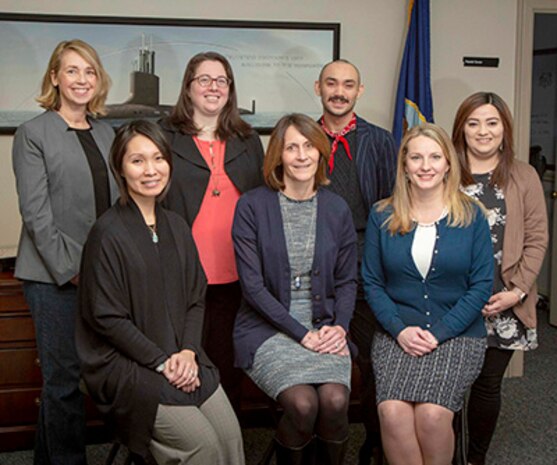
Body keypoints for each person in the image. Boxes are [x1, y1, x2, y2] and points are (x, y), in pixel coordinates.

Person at [76, 120, 244, 465]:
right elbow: (106, 318)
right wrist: (162, 361)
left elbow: (196, 298)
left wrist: (186, 351)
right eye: (137, 161)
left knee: (231, 438)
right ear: (121, 169)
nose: (150, 170)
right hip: (129, 365)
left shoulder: (178, 227)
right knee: (204, 448)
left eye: (157, 158)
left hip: (184, 355)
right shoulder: (106, 234)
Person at [362, 123, 494, 465]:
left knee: (432, 416)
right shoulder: (382, 215)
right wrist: (399, 330)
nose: (426, 166)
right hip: (397, 334)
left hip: (457, 336)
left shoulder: (472, 216)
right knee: (392, 413)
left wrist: (439, 333)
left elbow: (481, 285)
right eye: (416, 157)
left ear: (448, 163)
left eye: (435, 157)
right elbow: (372, 283)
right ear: (404, 164)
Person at [11, 39, 117, 465]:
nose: (81, 79)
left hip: (100, 274)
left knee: (75, 379)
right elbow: (36, 215)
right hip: (53, 277)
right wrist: (73, 270)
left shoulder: (108, 132)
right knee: (63, 382)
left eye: (89, 71)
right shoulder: (33, 133)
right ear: (54, 77)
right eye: (71, 71)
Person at [232, 113, 357, 465]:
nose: (301, 156)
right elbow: (252, 287)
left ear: (320, 152)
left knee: (334, 402)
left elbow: (348, 280)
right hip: (267, 326)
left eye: (309, 146)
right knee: (303, 406)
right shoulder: (252, 207)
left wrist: (340, 328)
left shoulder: (337, 208)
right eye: (291, 147)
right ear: (278, 155)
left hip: (327, 324)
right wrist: (302, 334)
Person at [159, 51, 264, 410]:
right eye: (204, 79)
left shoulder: (248, 140)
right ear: (188, 87)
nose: (213, 87)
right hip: (181, 275)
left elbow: (264, 204)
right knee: (182, 365)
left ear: (230, 89)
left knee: (225, 364)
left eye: (221, 80)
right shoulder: (164, 136)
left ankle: (226, 441)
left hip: (237, 275)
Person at [452, 92, 548, 465]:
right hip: (455, 302)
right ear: (461, 128)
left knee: (487, 386)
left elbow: (537, 238)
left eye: (492, 122)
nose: (483, 131)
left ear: (504, 128)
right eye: (473, 122)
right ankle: (449, 457)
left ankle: (476, 458)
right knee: (450, 385)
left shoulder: (523, 175)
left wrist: (517, 291)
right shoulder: (445, 170)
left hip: (505, 302)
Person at [314, 58, 397, 465]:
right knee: (316, 358)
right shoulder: (302, 139)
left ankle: (376, 442)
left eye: (348, 84)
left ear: (359, 92)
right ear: (319, 88)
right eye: (332, 83)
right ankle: (316, 442)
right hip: (312, 270)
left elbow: (395, 212)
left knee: (371, 361)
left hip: (367, 267)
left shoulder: (380, 142)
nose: (339, 91)